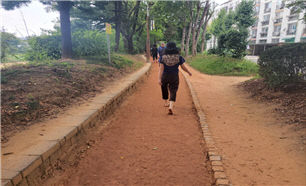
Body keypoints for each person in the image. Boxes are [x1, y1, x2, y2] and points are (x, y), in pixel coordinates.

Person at [158, 42, 192, 115]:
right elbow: (183, 67)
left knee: (164, 88)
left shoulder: (162, 57)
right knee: (173, 90)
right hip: (174, 76)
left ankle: (166, 102)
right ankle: (171, 106)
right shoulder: (178, 57)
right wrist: (188, 72)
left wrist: (159, 79)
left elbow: (161, 69)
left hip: (165, 75)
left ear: (166, 48)